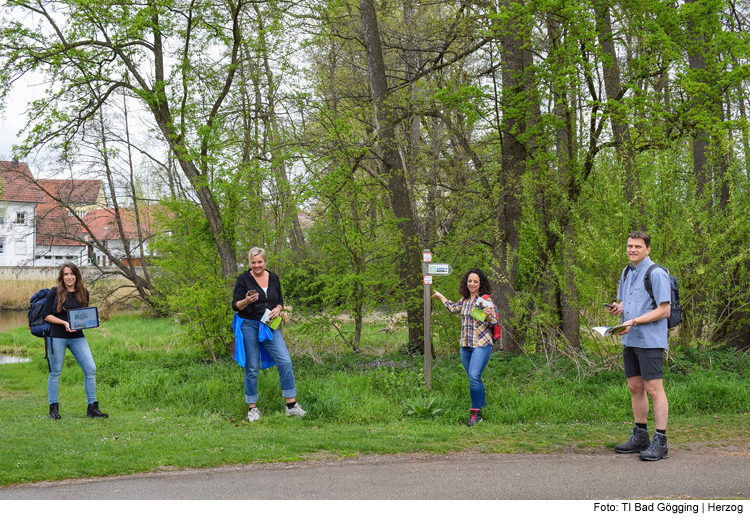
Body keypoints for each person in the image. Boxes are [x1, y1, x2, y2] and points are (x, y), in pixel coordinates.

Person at [607, 231, 671, 461]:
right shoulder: (627, 271)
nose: (632, 250)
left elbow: (665, 310)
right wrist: (619, 308)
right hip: (630, 338)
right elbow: (628, 302)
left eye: (637, 246)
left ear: (648, 249)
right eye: (629, 246)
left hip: (650, 340)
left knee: (654, 389)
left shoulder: (657, 273)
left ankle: (661, 442)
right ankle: (641, 436)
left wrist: (633, 320)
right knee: (635, 387)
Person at [232, 247, 305, 422]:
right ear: (250, 263)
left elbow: (279, 301)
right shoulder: (243, 279)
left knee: (285, 361)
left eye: (260, 262)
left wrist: (278, 309)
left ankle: (291, 406)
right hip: (249, 325)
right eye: (253, 262)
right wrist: (247, 300)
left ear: (265, 262)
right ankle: (252, 408)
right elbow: (235, 306)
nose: (257, 265)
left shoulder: (273, 278)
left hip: (270, 326)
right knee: (251, 366)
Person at [41, 262, 108, 419]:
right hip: (56, 335)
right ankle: (53, 409)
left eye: (72, 274)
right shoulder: (55, 292)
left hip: (77, 336)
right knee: (55, 372)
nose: (69, 277)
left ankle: (92, 408)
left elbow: (82, 315)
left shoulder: (83, 292)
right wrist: (64, 323)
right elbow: (46, 315)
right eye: (66, 274)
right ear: (62, 276)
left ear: (76, 276)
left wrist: (93, 321)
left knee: (91, 369)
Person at [432, 267, 498, 426]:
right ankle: (482, 406)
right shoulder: (465, 300)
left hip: (480, 345)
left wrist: (489, 315)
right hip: (465, 346)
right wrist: (441, 297)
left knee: (474, 376)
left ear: (480, 283)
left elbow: (493, 321)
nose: (472, 284)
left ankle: (476, 413)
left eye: (475, 281)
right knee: (473, 378)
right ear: (466, 283)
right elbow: (453, 308)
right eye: (470, 281)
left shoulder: (483, 300)